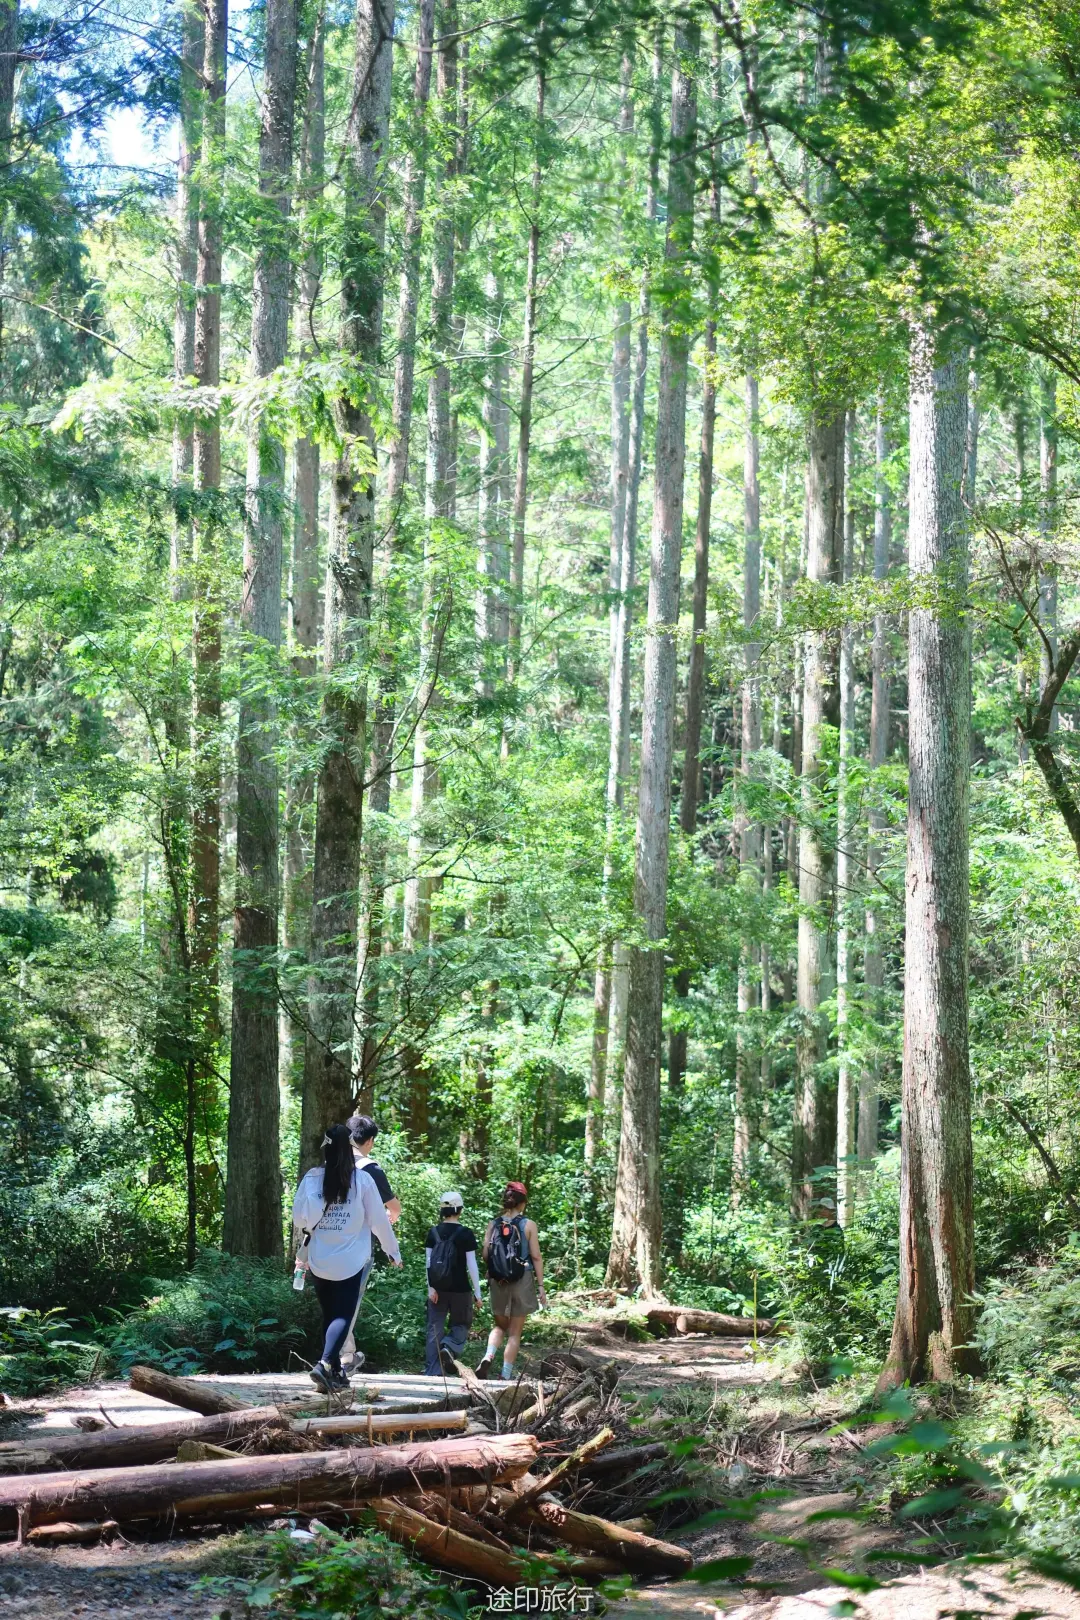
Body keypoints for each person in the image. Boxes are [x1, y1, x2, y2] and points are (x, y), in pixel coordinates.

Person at [292, 1122, 402, 1393]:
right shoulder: (363, 1180)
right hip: (351, 1260)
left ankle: (337, 1374)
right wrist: (392, 1250)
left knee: (329, 1314)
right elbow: (379, 1221)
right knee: (343, 1314)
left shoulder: (311, 1178)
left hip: (319, 1257)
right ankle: (326, 1362)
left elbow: (299, 1218)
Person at [339, 1113, 400, 1375]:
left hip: (325, 1242)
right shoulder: (370, 1169)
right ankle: (340, 1358)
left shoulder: (330, 1165)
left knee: (333, 1301)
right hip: (356, 1246)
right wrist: (388, 1222)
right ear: (370, 1141)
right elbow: (394, 1208)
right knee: (350, 1301)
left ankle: (346, 1354)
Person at [477, 1181, 548, 1381]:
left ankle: (489, 1355)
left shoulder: (493, 1224)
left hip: (498, 1280)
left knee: (499, 1326)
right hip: (522, 1279)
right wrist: (541, 1286)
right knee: (515, 1333)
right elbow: (536, 1257)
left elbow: (485, 1253)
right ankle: (505, 1375)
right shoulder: (529, 1225)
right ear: (522, 1202)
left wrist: (495, 1268)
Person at [424, 1189, 484, 1376]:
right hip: (461, 1290)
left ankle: (432, 1372)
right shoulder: (465, 1233)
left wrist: (430, 1288)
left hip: (438, 1289)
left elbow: (428, 1263)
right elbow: (471, 1264)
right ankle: (449, 1347)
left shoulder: (433, 1232)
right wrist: (477, 1292)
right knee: (461, 1324)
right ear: (460, 1210)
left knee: (434, 1328)